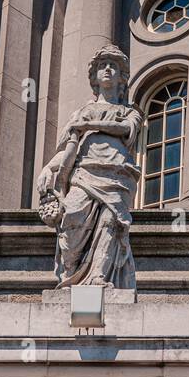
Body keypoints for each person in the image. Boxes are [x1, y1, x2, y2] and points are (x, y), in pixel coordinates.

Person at [37, 44, 143, 289]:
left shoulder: (129, 112)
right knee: (71, 218)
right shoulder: (82, 112)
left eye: (113, 66)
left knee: (110, 223)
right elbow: (68, 148)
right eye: (102, 66)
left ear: (122, 76)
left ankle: (98, 275)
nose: (107, 70)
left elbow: (126, 130)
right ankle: (72, 274)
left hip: (117, 174)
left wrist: (90, 124)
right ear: (94, 76)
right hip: (84, 173)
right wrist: (49, 169)